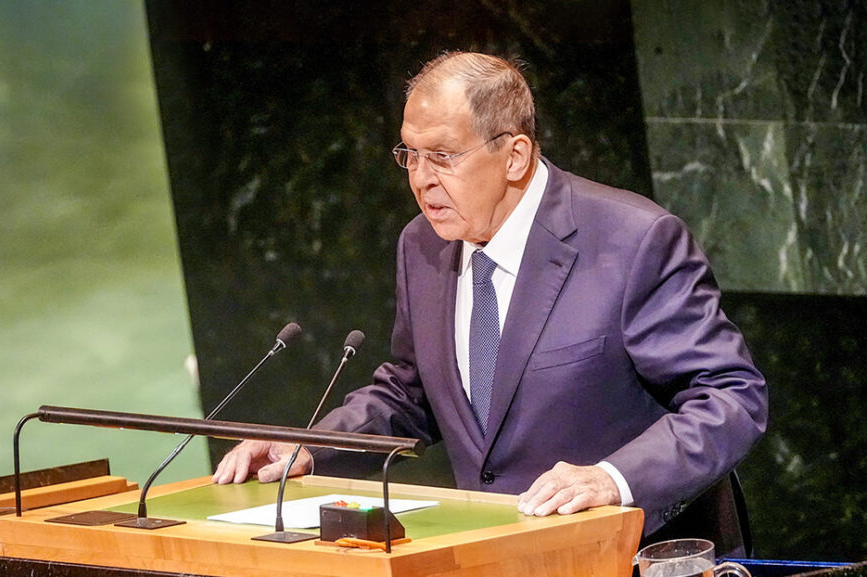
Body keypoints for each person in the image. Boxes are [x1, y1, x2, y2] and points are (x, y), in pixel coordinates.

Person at [212, 51, 768, 555]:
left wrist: (612, 479)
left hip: (635, 551)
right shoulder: (421, 245)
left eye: (442, 156)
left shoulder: (631, 241)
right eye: (410, 154)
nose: (420, 180)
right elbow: (411, 392)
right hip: (495, 555)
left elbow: (731, 396)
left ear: (515, 155)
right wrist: (312, 447)